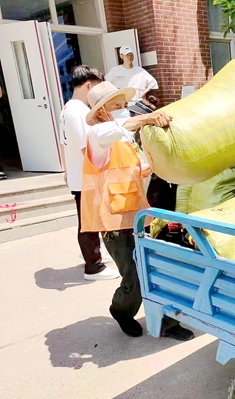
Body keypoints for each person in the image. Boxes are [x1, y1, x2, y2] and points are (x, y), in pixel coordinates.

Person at [81, 81, 193, 341]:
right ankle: (121, 310)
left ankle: (167, 322)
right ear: (102, 111)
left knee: (157, 269)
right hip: (115, 224)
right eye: (117, 105)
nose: (124, 109)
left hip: (140, 217)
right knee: (134, 276)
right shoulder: (97, 136)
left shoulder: (122, 140)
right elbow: (120, 127)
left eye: (124, 104)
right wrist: (150, 117)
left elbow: (134, 171)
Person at [59, 66, 119, 281]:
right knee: (89, 223)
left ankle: (93, 256)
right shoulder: (78, 111)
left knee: (91, 220)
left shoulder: (68, 109)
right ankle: (93, 266)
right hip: (87, 176)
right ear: (88, 86)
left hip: (81, 174)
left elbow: (65, 144)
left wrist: (67, 170)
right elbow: (89, 147)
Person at [105, 46, 158, 110]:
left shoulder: (140, 71)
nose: (129, 57)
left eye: (131, 54)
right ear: (121, 56)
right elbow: (105, 83)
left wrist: (143, 94)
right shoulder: (115, 71)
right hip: (123, 106)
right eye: (127, 55)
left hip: (138, 105)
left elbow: (153, 83)